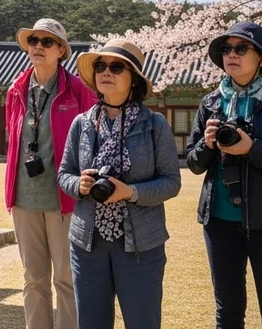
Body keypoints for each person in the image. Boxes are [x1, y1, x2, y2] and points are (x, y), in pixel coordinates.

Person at [186, 21, 262, 329]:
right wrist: (207, 144)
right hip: (219, 222)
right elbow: (194, 163)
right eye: (226, 48)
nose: (232, 54)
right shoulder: (211, 102)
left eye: (242, 48)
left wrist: (252, 148)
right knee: (227, 314)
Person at [58, 38, 180, 329]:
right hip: (88, 243)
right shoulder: (82, 123)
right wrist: (80, 186)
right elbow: (64, 173)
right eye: (101, 66)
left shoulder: (154, 124)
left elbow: (171, 181)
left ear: (133, 79)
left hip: (140, 244)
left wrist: (131, 192)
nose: (106, 72)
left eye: (116, 67)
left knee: (142, 322)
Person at [4, 19, 98, 329]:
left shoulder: (78, 89)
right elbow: (12, 139)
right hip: (23, 199)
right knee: (33, 278)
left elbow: (93, 139)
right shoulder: (16, 90)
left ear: (61, 50)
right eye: (33, 41)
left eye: (47, 42)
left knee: (67, 278)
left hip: (64, 200)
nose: (38, 47)